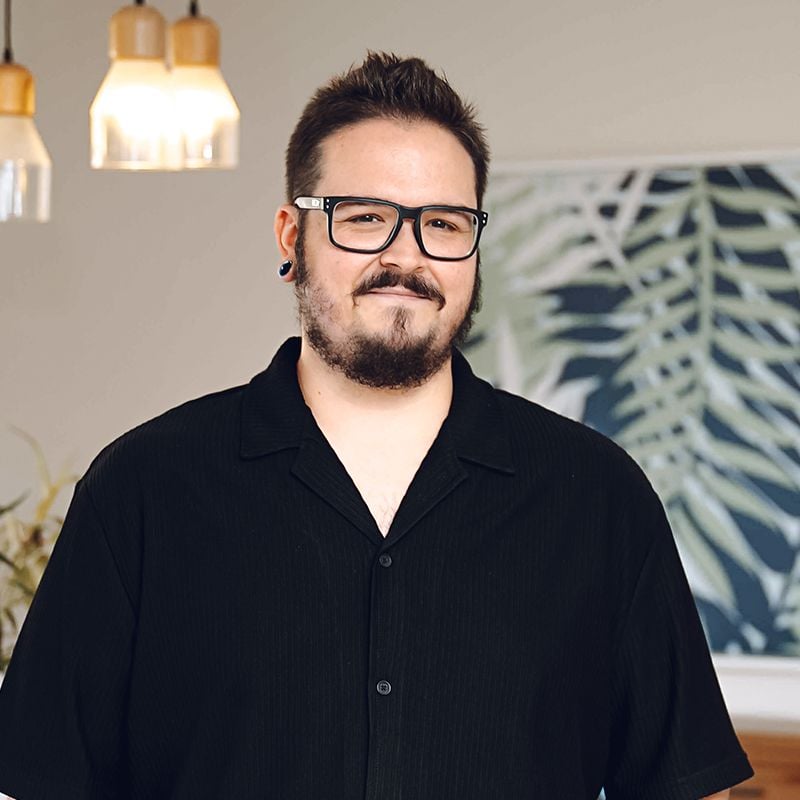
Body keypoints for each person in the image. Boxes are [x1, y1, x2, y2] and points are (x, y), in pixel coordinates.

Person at [0, 52, 753, 800]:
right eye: (365, 218)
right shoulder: (143, 490)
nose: (406, 256)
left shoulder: (598, 498)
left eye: (443, 223)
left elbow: (689, 786)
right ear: (290, 237)